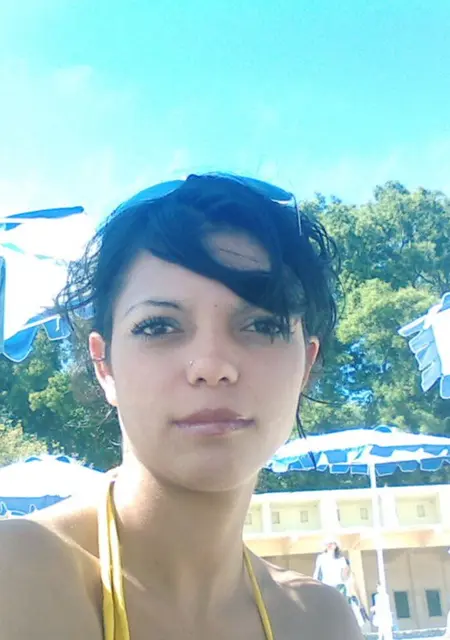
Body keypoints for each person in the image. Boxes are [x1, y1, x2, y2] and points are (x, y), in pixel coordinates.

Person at [0, 173, 363, 639]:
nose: (212, 366)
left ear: (306, 365)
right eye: (158, 326)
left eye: (261, 325)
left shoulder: (320, 622)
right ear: (104, 366)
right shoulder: (20, 578)